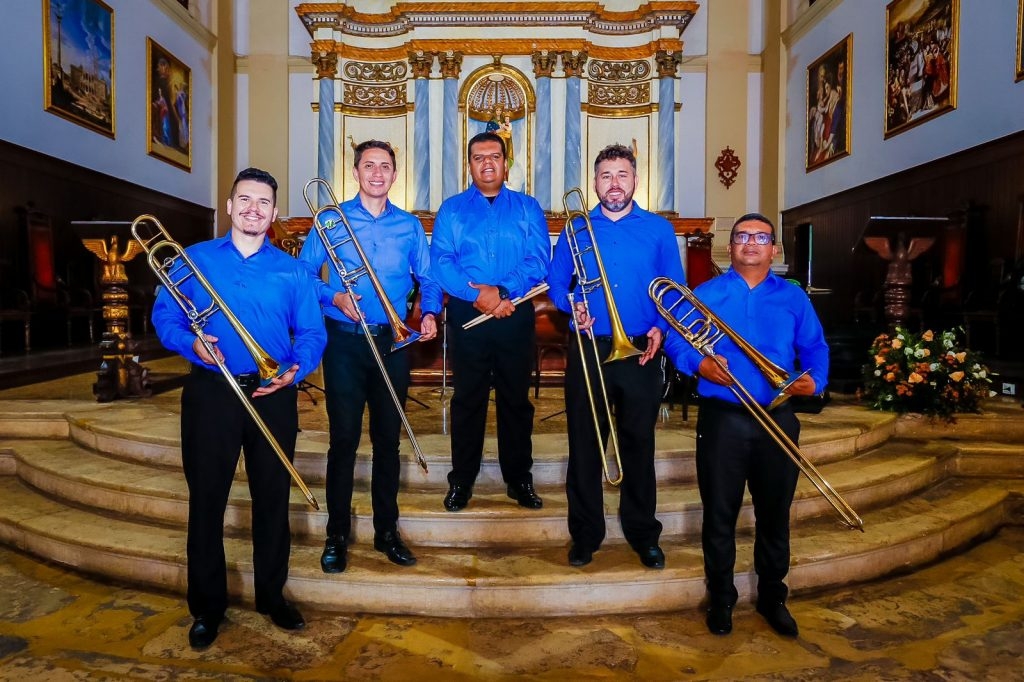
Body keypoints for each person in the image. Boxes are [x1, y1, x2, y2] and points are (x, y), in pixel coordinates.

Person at [151, 168, 327, 650]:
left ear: (274, 213)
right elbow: (164, 315)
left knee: (274, 499)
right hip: (211, 392)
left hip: (273, 394)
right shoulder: (193, 259)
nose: (254, 208)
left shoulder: (293, 270)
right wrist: (191, 344)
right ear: (228, 206)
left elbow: (313, 333)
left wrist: (298, 368)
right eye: (244, 199)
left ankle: (272, 595)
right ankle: (207, 606)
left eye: (264, 202)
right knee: (207, 501)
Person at [662, 213, 829, 638]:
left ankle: (773, 598)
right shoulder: (705, 293)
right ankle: (721, 599)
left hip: (778, 417)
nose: (750, 243)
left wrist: (816, 379)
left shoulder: (794, 298)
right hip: (723, 421)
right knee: (720, 516)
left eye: (760, 237)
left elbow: (814, 346)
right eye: (741, 237)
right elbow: (676, 339)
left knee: (775, 516)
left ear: (773, 249)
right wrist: (698, 363)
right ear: (730, 247)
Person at [297, 140, 442, 573]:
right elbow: (302, 276)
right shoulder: (330, 219)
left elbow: (428, 277)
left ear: (395, 175)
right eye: (368, 165)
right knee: (343, 440)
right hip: (343, 341)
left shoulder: (410, 226)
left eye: (385, 167)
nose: (377, 173)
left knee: (387, 441)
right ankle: (336, 534)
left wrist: (429, 310)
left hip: (392, 343)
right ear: (356, 172)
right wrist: (334, 296)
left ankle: (386, 531)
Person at [547, 143, 686, 570]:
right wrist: (574, 306)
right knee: (586, 446)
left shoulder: (659, 229)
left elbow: (674, 288)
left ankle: (644, 534)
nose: (613, 184)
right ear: (595, 182)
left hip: (642, 348)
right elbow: (556, 284)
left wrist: (661, 328)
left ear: (635, 179)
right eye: (605, 176)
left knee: (638, 444)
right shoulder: (577, 229)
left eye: (621, 175)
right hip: (590, 345)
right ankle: (585, 535)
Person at [429, 131, 549, 513]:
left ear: (506, 163)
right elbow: (442, 262)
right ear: (469, 165)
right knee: (468, 399)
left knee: (516, 400)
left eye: (494, 156)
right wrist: (478, 295)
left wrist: (502, 291)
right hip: (468, 312)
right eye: (479, 157)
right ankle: (461, 480)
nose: (487, 163)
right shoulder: (451, 210)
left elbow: (538, 259)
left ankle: (519, 479)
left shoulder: (529, 208)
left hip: (515, 311)